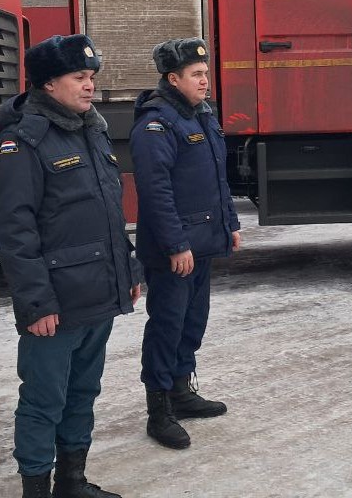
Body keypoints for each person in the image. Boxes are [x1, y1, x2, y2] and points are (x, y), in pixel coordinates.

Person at [0, 34, 142, 498]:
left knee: (82, 393)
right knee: (43, 402)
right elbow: (15, 232)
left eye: (91, 77)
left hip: (97, 292)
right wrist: (36, 304)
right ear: (48, 84)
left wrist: (129, 272)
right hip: (55, 304)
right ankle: (35, 488)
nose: (89, 86)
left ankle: (71, 482)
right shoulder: (22, 143)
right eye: (79, 77)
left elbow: (109, 211)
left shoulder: (91, 130)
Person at [130, 38, 241, 449]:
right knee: (167, 325)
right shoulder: (156, 123)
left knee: (193, 323)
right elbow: (155, 191)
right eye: (196, 75)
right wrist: (176, 245)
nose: (205, 81)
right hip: (175, 251)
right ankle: (158, 410)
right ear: (172, 79)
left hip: (203, 243)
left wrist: (229, 224)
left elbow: (217, 179)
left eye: (206, 74)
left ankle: (181, 391)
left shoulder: (201, 118)